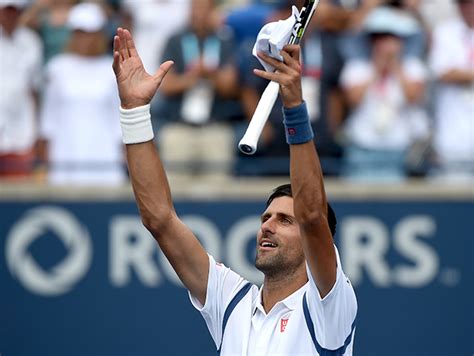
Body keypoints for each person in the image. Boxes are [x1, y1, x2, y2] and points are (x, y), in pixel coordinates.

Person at [113, 27, 357, 355]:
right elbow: (159, 219)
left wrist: (294, 107)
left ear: (321, 242)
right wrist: (134, 112)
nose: (267, 225)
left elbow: (313, 215)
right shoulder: (232, 302)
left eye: (286, 220)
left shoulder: (331, 305)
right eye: (266, 217)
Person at [339, 6, 430, 181]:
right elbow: (353, 100)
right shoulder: (356, 67)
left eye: (391, 37)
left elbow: (413, 97)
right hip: (362, 148)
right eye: (379, 38)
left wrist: (395, 66)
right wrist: (377, 68)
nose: (385, 43)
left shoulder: (413, 67)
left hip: (399, 149)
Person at [39, 2, 124, 185]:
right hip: (65, 156)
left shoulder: (112, 67)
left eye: (89, 33)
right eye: (79, 33)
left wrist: (124, 153)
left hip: (104, 157)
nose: (84, 39)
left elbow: (117, 117)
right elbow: (49, 116)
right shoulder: (57, 67)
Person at [428, 0, 474, 180]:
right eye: (464, 3)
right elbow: (443, 72)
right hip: (453, 141)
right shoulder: (445, 31)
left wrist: (461, 73)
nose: (469, 8)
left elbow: (452, 72)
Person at [0, 0, 43, 179]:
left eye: (14, 11)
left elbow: (34, 89)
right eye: (6, 11)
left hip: (21, 135)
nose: (10, 16)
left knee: (18, 193)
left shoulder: (31, 41)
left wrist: (37, 132)